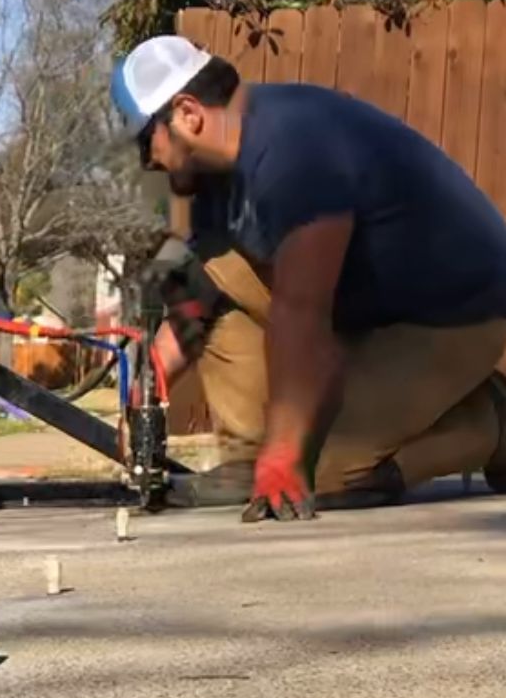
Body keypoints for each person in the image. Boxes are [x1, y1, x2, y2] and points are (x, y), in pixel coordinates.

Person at [110, 36, 506, 521]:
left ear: (188, 113)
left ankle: (493, 420)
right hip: (367, 306)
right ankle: (260, 454)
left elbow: (302, 311)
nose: (146, 160)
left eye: (145, 140)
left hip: (454, 314)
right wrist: (150, 379)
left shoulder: (295, 148)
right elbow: (203, 290)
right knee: (209, 266)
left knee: (324, 469)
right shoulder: (215, 174)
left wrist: (285, 458)